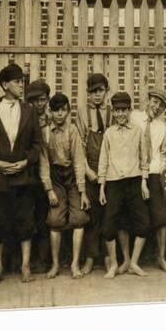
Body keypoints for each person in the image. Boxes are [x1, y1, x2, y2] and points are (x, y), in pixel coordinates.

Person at [0, 63, 42, 284]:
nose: (21, 85)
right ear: (5, 84)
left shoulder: (29, 111)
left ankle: (25, 266)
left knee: (25, 222)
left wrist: (25, 161)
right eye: (17, 82)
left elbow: (37, 144)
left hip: (23, 178)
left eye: (22, 81)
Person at [98, 91, 150, 279]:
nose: (120, 114)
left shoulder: (138, 131)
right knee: (110, 226)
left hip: (135, 181)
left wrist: (144, 182)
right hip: (113, 183)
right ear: (113, 112)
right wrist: (102, 186)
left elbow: (144, 159)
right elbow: (103, 161)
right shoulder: (109, 133)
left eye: (123, 110)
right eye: (117, 110)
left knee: (143, 223)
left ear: (129, 110)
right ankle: (115, 263)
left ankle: (134, 262)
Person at [39, 93, 90, 279]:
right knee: (55, 220)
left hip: (72, 177)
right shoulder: (45, 132)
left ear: (68, 111)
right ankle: (55, 264)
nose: (60, 114)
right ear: (50, 112)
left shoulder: (73, 130)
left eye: (64, 110)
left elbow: (78, 160)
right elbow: (43, 162)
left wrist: (82, 191)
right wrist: (49, 189)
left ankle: (75, 264)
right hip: (55, 178)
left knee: (79, 218)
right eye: (56, 110)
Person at [130, 89, 166, 272]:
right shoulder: (134, 117)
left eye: (161, 106)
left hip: (153, 174)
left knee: (161, 217)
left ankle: (161, 258)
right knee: (136, 216)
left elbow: (163, 153)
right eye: (154, 102)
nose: (156, 108)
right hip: (134, 172)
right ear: (147, 100)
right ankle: (131, 261)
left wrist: (159, 168)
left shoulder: (161, 127)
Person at [76, 73, 112, 275]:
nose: (97, 96)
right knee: (91, 216)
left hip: (109, 170)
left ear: (106, 91)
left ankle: (108, 257)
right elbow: (79, 146)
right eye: (93, 92)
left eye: (100, 91)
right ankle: (89, 258)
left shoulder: (112, 111)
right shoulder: (82, 113)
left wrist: (107, 174)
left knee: (108, 214)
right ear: (88, 94)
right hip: (90, 169)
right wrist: (88, 172)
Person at [25, 79, 52, 272]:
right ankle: (26, 259)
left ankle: (44, 259)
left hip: (50, 172)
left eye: (42, 99)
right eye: (35, 101)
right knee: (27, 217)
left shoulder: (53, 119)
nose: (39, 104)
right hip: (30, 173)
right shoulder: (25, 119)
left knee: (44, 217)